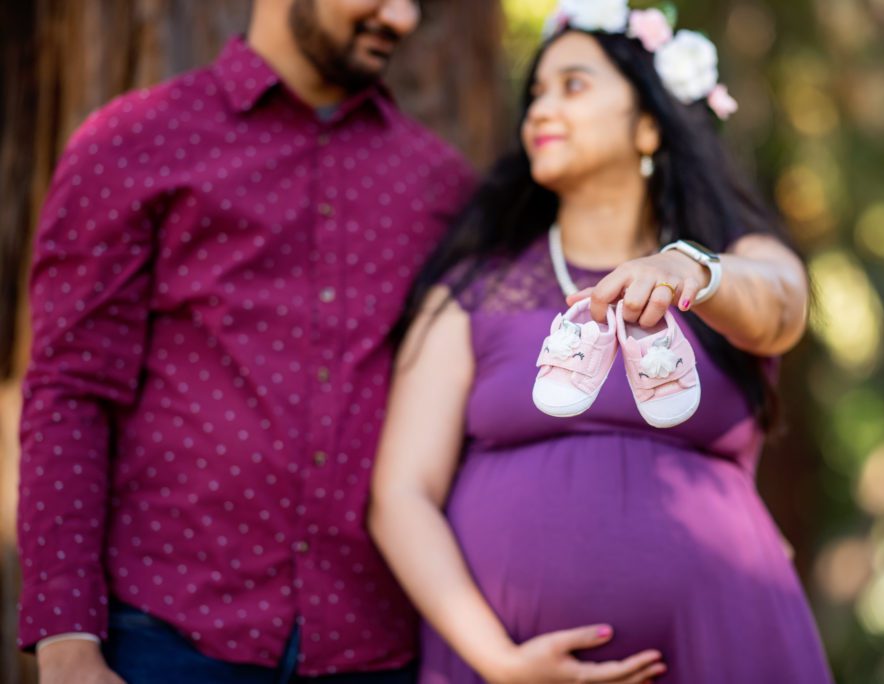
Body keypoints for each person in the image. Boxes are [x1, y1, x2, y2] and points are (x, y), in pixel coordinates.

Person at [368, 3, 834, 683]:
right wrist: (500, 663)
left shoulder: (737, 263)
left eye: (574, 86)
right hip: (507, 668)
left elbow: (782, 307)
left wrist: (689, 270)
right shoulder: (473, 289)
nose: (540, 110)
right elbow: (401, 494)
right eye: (535, 94)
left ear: (649, 123)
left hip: (725, 642)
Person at [18, 1, 476, 682]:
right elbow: (71, 389)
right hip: (163, 637)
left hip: (374, 648)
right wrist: (67, 641)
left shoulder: (439, 184)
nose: (402, 18)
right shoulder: (133, 141)